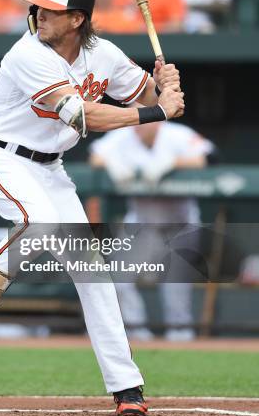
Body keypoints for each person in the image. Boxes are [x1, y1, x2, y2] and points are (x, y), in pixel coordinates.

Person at [0, 0, 185, 416]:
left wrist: (162, 85)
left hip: (50, 167)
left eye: (50, 9)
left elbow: (142, 92)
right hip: (0, 157)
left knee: (93, 272)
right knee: (39, 223)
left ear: (76, 19)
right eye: (37, 5)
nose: (37, 13)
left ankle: (126, 386)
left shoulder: (103, 54)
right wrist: (157, 111)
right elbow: (83, 118)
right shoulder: (26, 54)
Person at [89, 121, 214, 341]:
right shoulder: (123, 135)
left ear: (158, 121)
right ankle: (138, 338)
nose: (140, 125)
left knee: (175, 291)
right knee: (118, 282)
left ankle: (180, 341)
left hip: (180, 224)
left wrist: (173, 163)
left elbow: (211, 157)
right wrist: (112, 163)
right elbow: (95, 157)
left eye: (147, 117)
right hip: (142, 224)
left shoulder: (178, 134)